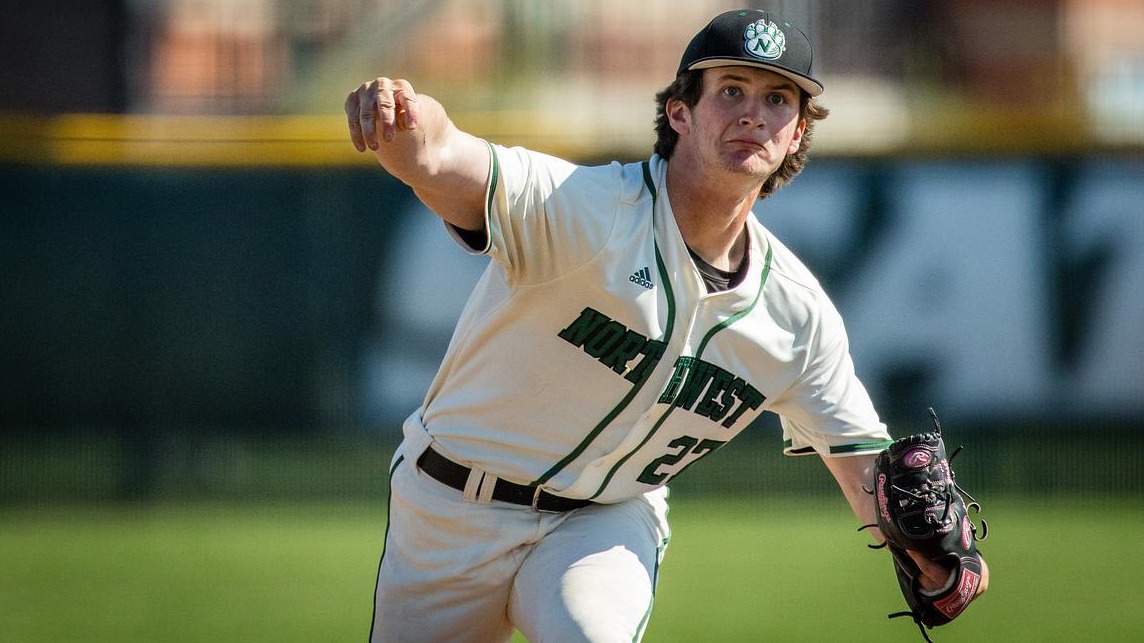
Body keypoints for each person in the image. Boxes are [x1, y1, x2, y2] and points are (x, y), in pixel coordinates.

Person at [346, 8, 987, 642]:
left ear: (796, 135)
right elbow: (442, 156)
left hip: (602, 526)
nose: (753, 114)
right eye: (731, 90)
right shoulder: (585, 210)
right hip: (450, 509)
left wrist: (939, 556)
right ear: (680, 111)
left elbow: (865, 469)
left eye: (778, 99)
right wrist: (403, 118)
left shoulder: (797, 317)